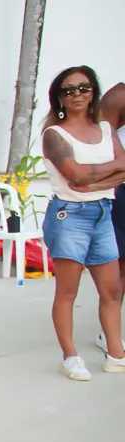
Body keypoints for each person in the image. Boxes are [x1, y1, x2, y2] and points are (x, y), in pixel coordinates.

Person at [38, 66, 125, 381]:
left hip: (103, 212)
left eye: (84, 88)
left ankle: (116, 353)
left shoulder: (105, 128)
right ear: (59, 98)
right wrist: (106, 171)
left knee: (112, 289)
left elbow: (122, 165)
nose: (77, 94)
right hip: (69, 215)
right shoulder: (54, 134)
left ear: (93, 92)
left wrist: (93, 179)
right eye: (68, 90)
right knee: (67, 291)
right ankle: (70, 357)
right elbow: (74, 176)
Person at [99, 81, 125, 323]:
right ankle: (110, 334)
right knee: (118, 268)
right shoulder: (120, 95)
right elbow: (100, 142)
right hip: (120, 190)